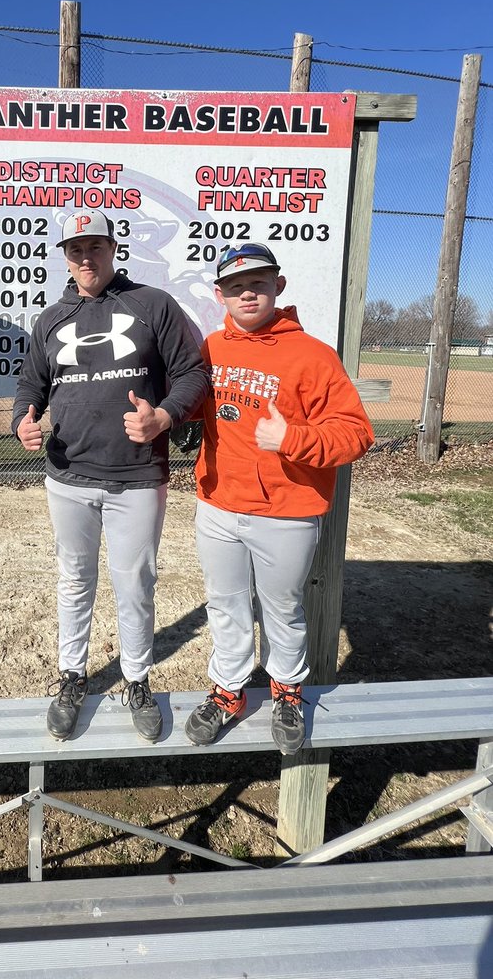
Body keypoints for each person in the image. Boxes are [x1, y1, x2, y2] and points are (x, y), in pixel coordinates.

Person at [12, 211, 209, 743]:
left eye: (94, 246)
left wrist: (164, 417)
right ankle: (72, 677)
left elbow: (193, 373)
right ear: (65, 256)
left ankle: (137, 679)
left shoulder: (152, 305)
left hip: (138, 476)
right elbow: (32, 383)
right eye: (75, 249)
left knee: (135, 584)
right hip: (68, 475)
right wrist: (21, 422)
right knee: (74, 581)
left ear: (112, 248)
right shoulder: (52, 317)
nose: (85, 257)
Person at [185, 242, 373, 755]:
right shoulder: (210, 348)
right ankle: (229, 691)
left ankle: (287, 689)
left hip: (287, 512)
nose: (248, 292)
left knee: (283, 608)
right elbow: (190, 406)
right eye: (236, 286)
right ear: (220, 294)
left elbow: (357, 434)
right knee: (224, 605)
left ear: (278, 287)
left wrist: (291, 439)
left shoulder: (312, 354)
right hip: (219, 503)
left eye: (259, 283)